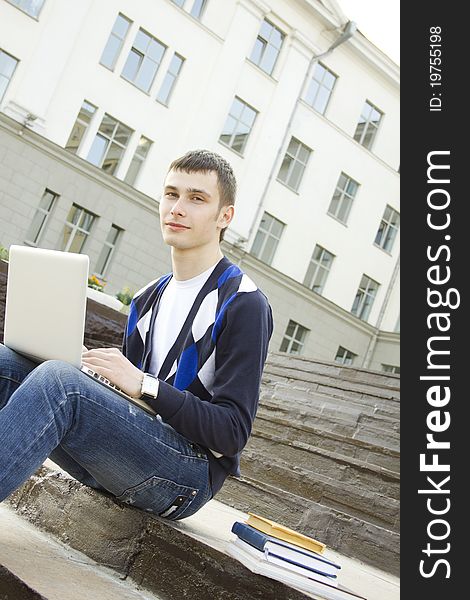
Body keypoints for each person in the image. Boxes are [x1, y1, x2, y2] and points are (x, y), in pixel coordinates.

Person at [0, 149, 273, 521]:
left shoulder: (243, 303)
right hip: (127, 452)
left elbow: (231, 432)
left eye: (196, 199)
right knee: (7, 363)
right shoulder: (147, 298)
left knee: (60, 384)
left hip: (187, 476)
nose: (177, 208)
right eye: (171, 194)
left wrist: (144, 384)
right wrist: (93, 371)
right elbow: (129, 405)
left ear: (224, 216)